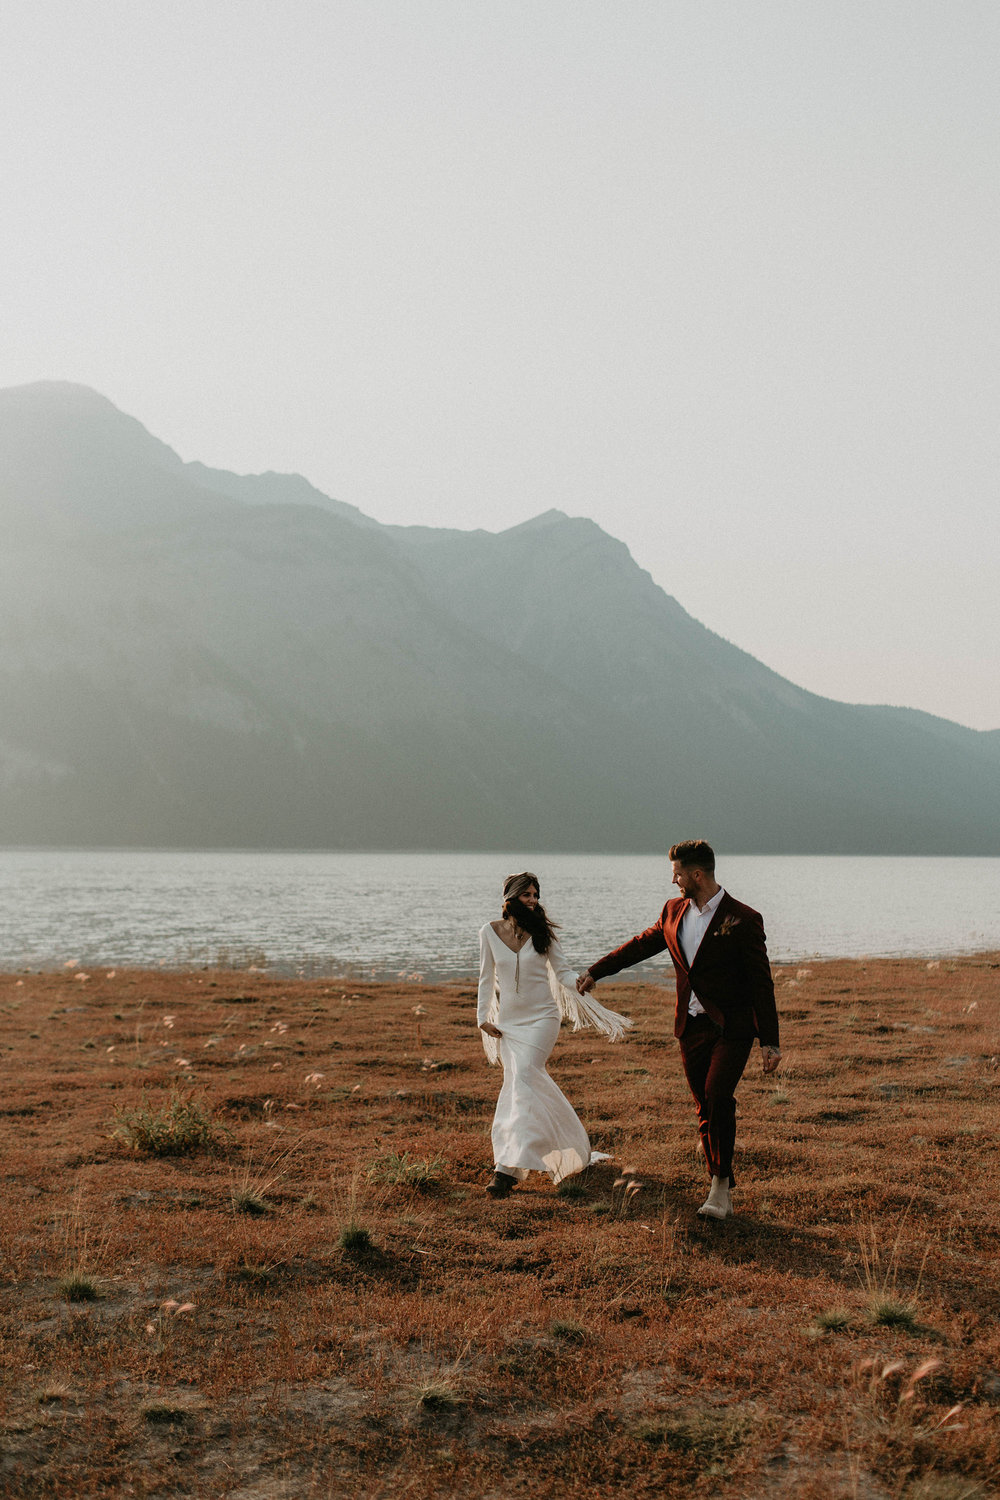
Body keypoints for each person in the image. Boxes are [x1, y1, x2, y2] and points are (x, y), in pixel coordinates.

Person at [577, 840, 780, 1220]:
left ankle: (720, 1188)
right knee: (704, 1103)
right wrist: (595, 971)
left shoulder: (743, 918)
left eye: (678, 874)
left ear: (696, 875)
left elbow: (761, 983)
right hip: (690, 1028)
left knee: (719, 1095)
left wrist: (769, 1041)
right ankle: (719, 1175)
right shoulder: (673, 911)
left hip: (732, 1027)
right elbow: (640, 946)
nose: (673, 880)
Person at [477, 871, 631, 1199]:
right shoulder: (489, 933)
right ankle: (561, 1149)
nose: (533, 900)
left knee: (523, 1078)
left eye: (536, 895)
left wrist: (581, 980)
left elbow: (562, 972)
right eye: (527, 895)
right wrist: (482, 1019)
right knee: (519, 1084)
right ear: (511, 897)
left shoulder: (543, 934)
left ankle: (505, 1170)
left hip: (542, 1019)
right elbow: (485, 979)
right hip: (509, 1023)